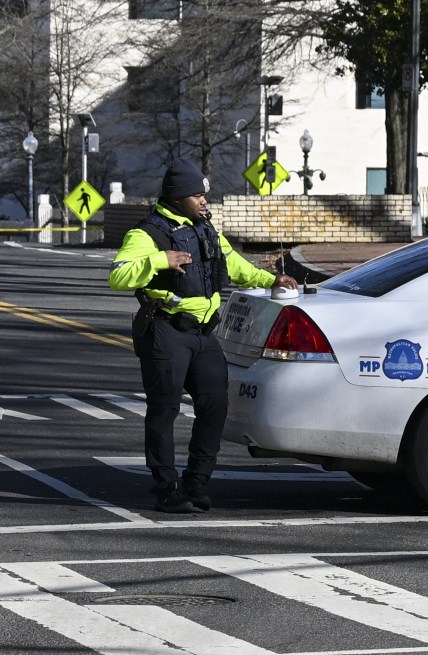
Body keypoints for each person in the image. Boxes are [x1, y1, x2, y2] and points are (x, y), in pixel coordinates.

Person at [110, 161, 296, 513]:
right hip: (167, 331)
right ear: (178, 196)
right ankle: (166, 487)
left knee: (215, 405)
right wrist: (158, 261)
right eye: (197, 195)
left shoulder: (205, 229)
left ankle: (196, 482)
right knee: (164, 409)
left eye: (204, 195)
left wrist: (270, 279)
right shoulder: (147, 234)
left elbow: (233, 265)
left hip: (203, 334)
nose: (203, 201)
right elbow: (118, 276)